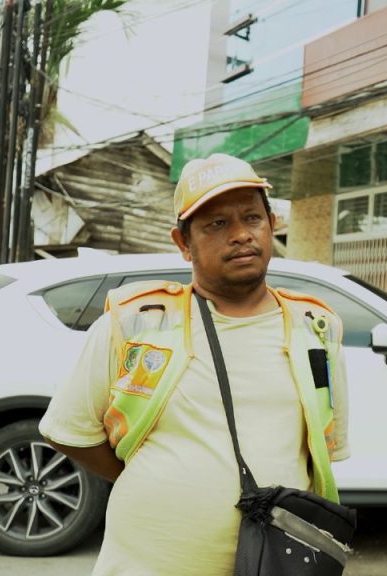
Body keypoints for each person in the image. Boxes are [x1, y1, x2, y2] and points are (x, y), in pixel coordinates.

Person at [39, 153, 349, 575]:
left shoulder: (317, 329)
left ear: (272, 224)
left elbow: (324, 453)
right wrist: (150, 477)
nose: (241, 234)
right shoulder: (135, 322)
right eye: (217, 224)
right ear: (183, 243)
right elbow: (70, 432)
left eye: (252, 218)